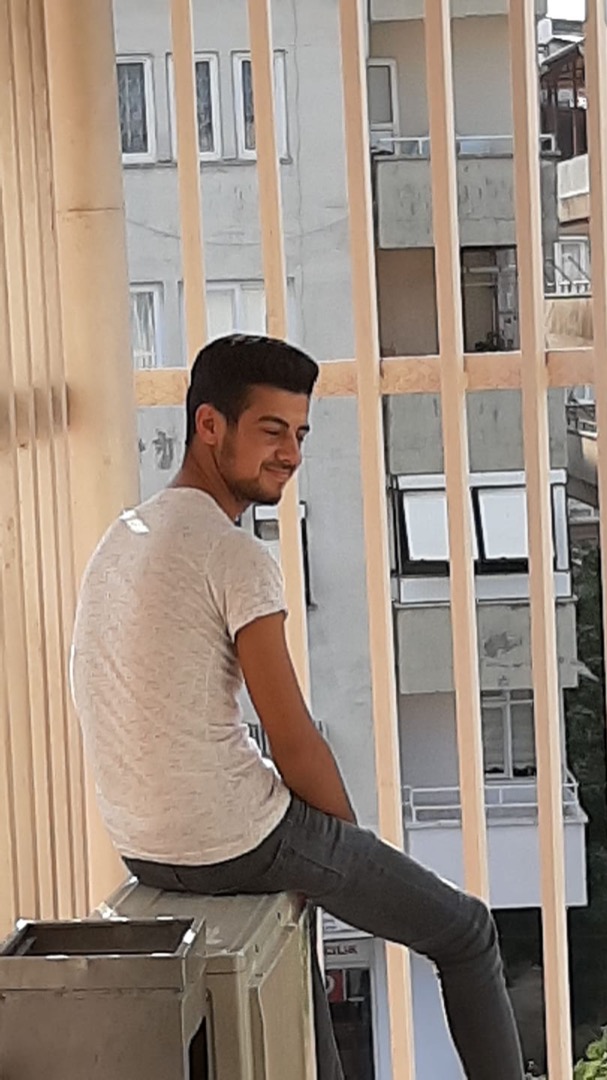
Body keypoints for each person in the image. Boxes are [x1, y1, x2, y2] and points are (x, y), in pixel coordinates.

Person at [70, 333, 524, 1079]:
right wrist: (349, 852)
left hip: (142, 844)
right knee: (467, 932)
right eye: (272, 431)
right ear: (209, 425)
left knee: (295, 933)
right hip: (231, 840)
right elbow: (292, 738)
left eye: (301, 434)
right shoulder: (234, 555)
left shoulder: (123, 537)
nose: (290, 454)